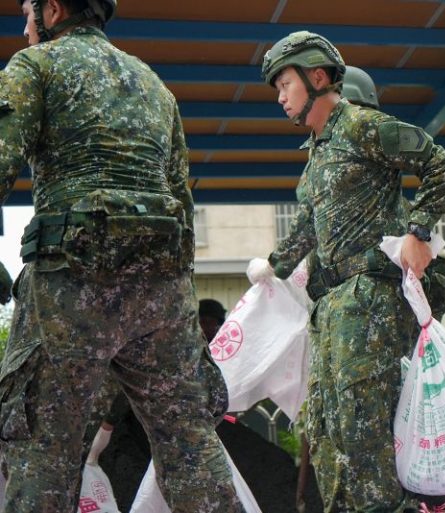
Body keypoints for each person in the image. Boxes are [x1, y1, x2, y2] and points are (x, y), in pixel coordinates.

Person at [0, 1, 244, 511]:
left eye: (28, 12)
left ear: (53, 9)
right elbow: (181, 198)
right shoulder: (153, 84)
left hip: (71, 285)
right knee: (190, 446)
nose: (24, 27)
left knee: (43, 452)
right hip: (161, 290)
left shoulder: (35, 66)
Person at [249, 31, 445, 512]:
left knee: (363, 420)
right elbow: (308, 225)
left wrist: (419, 232)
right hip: (333, 304)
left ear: (317, 77)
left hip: (370, 297)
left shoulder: (365, 126)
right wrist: (274, 265)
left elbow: (440, 165)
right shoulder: (316, 156)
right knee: (326, 422)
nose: (280, 98)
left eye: (285, 85)